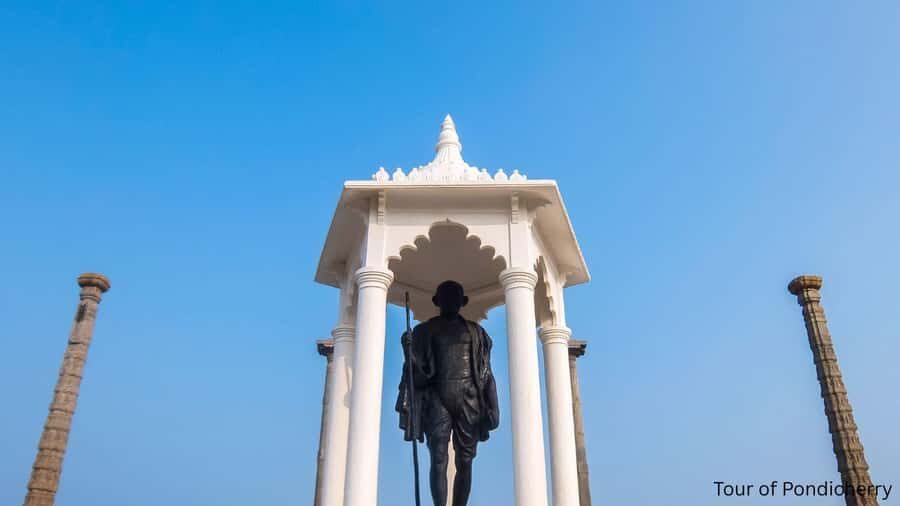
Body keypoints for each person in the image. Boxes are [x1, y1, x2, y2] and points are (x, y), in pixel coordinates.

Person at [396, 280, 500, 506]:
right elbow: (418, 376)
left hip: (469, 397)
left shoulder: (476, 332)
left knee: (465, 461)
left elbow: (486, 374)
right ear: (437, 301)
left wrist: (494, 406)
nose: (450, 302)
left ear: (462, 302)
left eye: (455, 298)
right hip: (437, 397)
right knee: (438, 458)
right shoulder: (424, 331)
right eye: (446, 297)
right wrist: (408, 352)